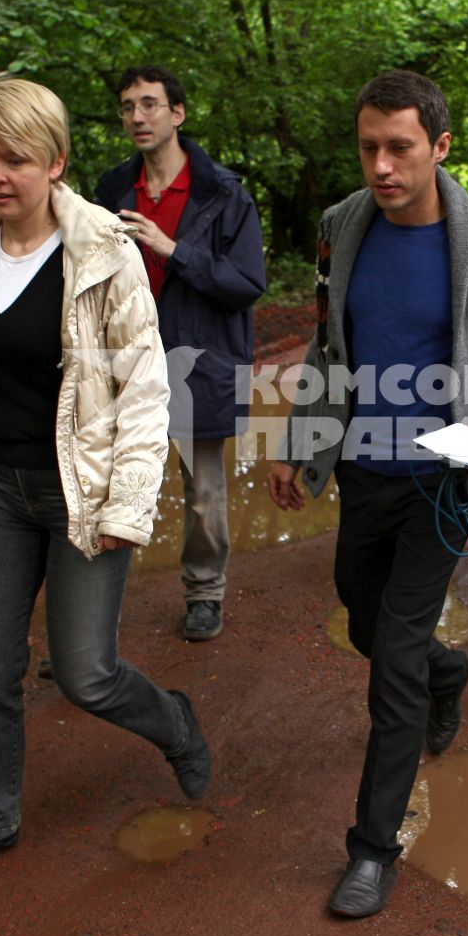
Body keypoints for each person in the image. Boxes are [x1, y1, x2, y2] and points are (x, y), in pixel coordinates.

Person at [0, 73, 211, 885]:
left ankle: (173, 721)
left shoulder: (105, 254)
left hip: (83, 492)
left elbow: (144, 391)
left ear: (57, 163)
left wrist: (126, 504)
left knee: (86, 674)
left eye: (17, 160)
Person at [268, 70, 468, 918]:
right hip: (364, 471)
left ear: (441, 146)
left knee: (390, 659)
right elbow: (327, 346)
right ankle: (447, 673)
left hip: (442, 483)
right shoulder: (339, 229)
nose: (381, 166)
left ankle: (372, 849)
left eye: (400, 148)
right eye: (368, 147)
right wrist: (301, 445)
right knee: (362, 614)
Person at [93, 65, 267, 642]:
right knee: (108, 488)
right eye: (127, 107)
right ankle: (90, 616)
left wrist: (174, 250)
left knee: (203, 494)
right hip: (124, 362)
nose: (137, 117)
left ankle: (204, 595)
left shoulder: (224, 193)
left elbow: (246, 282)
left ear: (177, 113)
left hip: (200, 360)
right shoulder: (112, 190)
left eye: (149, 104)